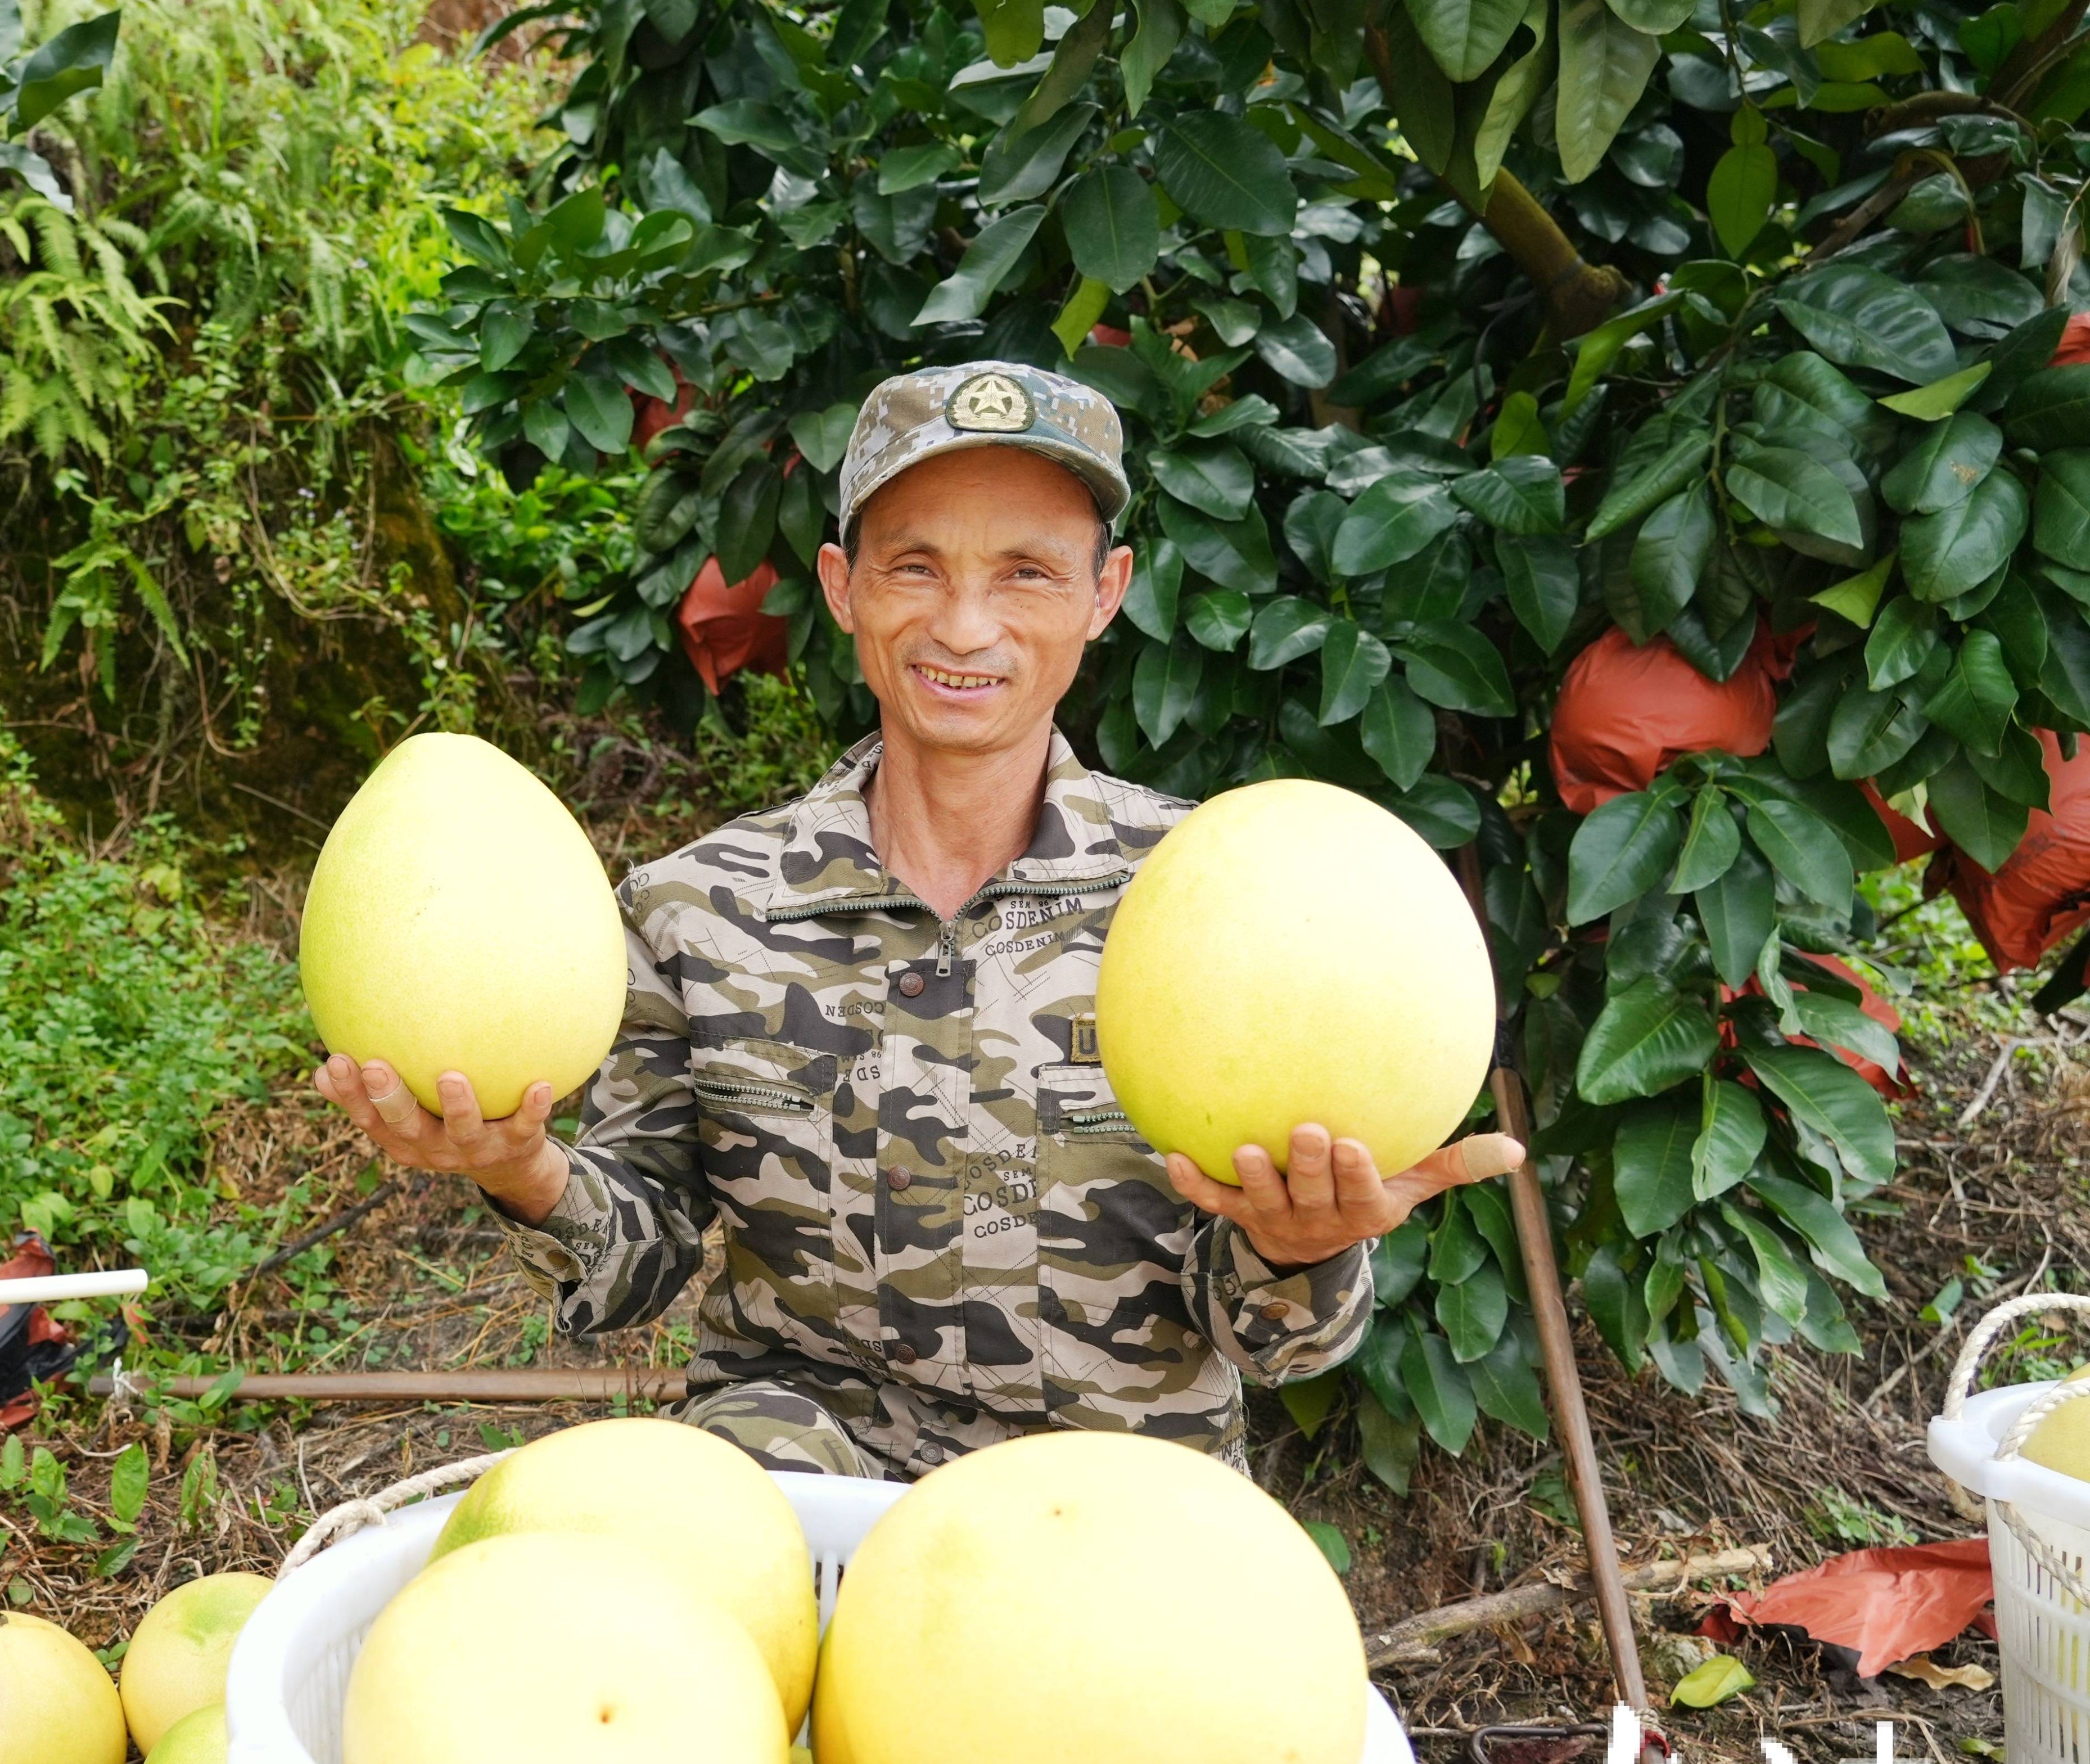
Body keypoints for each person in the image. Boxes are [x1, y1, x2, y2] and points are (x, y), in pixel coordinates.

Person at [313, 360, 1524, 1477]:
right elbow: (637, 1264)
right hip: (798, 1487)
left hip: (1114, 1506)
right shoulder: (700, 910)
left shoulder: (1229, 905)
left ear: (1108, 593)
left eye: (1027, 573)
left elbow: (1272, 1345)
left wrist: (1300, 1245)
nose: (963, 626)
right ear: (842, 587)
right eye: (915, 566)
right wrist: (520, 1167)